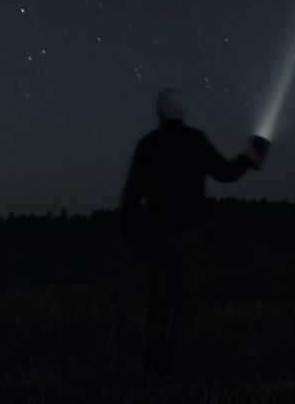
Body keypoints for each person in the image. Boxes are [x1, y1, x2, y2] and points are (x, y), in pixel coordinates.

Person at [120, 88, 267, 377]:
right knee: (185, 305)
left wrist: (135, 240)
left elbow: (130, 197)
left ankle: (152, 371)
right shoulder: (194, 139)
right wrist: (248, 159)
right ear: (182, 112)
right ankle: (176, 372)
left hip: (157, 235)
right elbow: (224, 172)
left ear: (159, 113)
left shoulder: (147, 145)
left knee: (158, 306)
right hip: (188, 234)